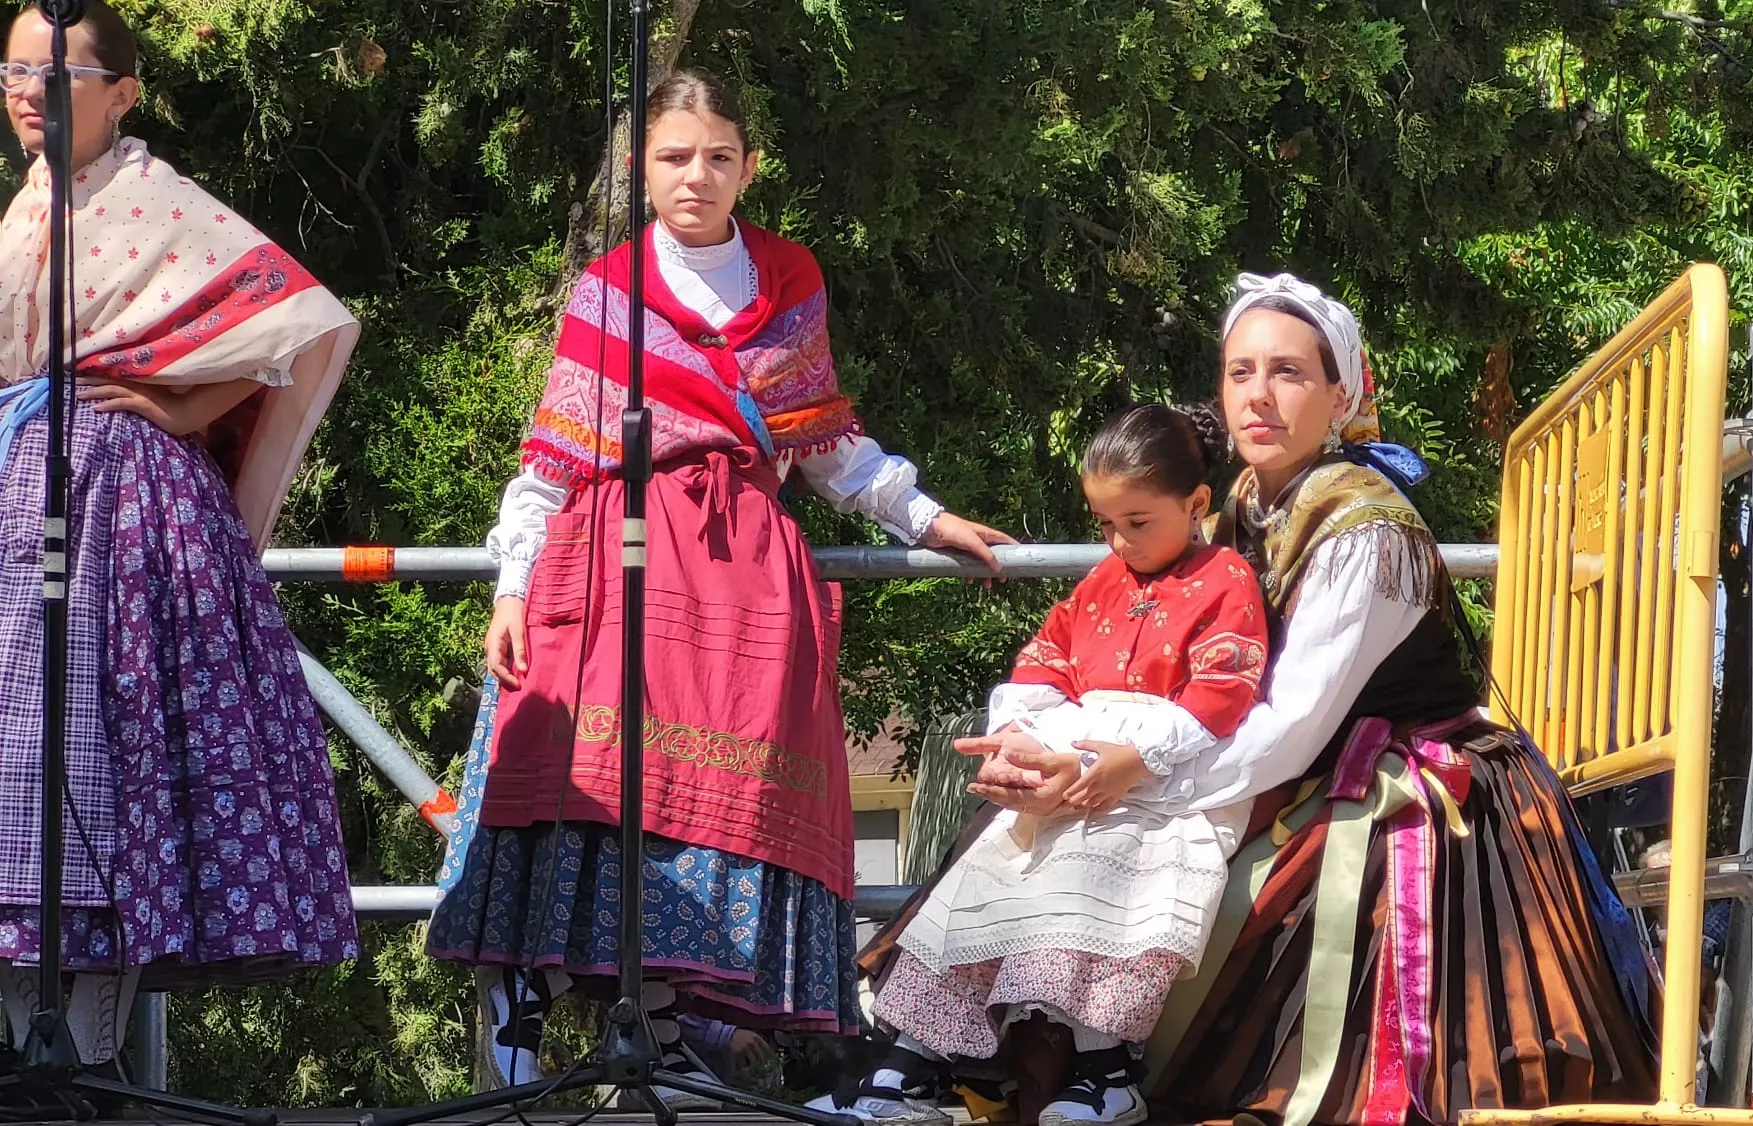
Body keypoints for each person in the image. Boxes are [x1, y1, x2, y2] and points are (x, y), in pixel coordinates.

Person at [859, 272, 1656, 1126]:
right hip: (1293, 760)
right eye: (1240, 373)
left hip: (1407, 779)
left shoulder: (1367, 529)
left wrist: (1117, 771)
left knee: (1260, 883)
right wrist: (1060, 751)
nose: (1258, 397)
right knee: (1040, 828)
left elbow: (1285, 727)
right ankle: (943, 1060)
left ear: (1340, 393)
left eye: (1288, 373)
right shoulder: (1243, 500)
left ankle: (1107, 1071)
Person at [423, 69, 1012, 1105]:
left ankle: (685, 1048)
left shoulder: (786, 279)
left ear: (748, 164)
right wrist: (512, 583)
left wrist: (925, 517)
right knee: (600, 792)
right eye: (672, 156)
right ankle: (578, 1049)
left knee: (722, 808)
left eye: (717, 156)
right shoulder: (609, 287)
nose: (695, 175)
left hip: (744, 570)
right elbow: (553, 459)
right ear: (641, 168)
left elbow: (824, 446)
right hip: (617, 559)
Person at [0, 0, 359, 1069]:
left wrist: (179, 407)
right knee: (19, 761)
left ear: (123, 93)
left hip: (128, 509)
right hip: (22, 493)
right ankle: (26, 1049)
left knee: (110, 752)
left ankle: (93, 1056)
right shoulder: (24, 209)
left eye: (56, 75)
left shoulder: (160, 204)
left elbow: (302, 322)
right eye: (13, 71)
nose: (28, 92)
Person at [819, 403, 1269, 1126]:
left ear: (1197, 505)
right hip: (1069, 783)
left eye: (1138, 521)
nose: (1120, 541)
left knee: (1101, 889)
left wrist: (1131, 756)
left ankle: (1105, 1065)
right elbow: (1045, 661)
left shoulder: (1227, 581)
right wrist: (1017, 738)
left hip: (1157, 796)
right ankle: (913, 1063)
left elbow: (1221, 694)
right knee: (978, 886)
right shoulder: (1102, 584)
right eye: (1107, 524)